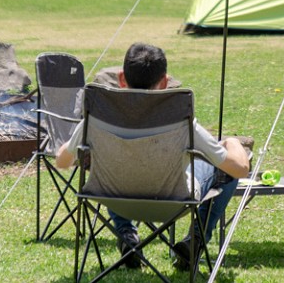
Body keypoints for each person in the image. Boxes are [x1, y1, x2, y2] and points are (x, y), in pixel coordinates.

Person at [56, 42, 251, 271]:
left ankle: (126, 233)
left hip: (113, 198)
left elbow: (62, 162)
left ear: (121, 78)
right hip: (174, 203)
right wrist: (233, 143)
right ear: (165, 81)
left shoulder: (97, 116)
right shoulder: (181, 118)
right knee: (221, 167)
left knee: (114, 166)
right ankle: (195, 242)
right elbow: (239, 169)